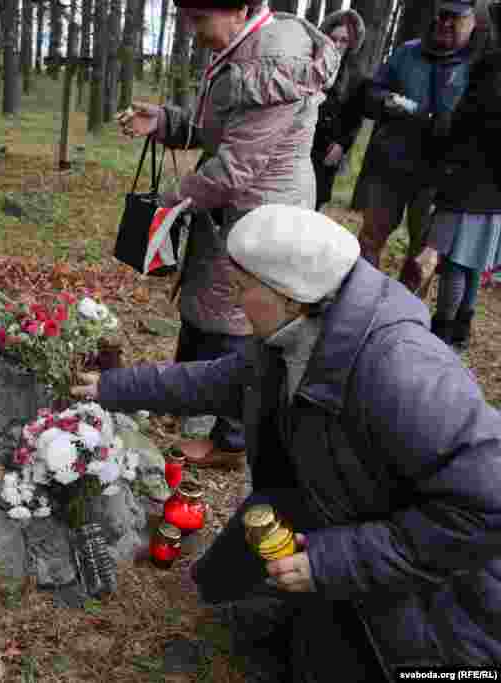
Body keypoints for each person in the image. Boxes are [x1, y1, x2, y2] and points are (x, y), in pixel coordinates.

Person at [73, 204, 501, 681]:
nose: (234, 303)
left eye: (241, 289)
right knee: (231, 602)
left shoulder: (402, 371)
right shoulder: (295, 329)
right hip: (326, 513)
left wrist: (333, 560)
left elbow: (487, 507)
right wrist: (115, 388)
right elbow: (222, 381)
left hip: (429, 590)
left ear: (292, 298)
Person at [115, 0, 339, 468]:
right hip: (233, 210)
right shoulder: (243, 47)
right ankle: (192, 403)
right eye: (186, 17)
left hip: (262, 216)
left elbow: (234, 168)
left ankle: (232, 442)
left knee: (244, 323)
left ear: (240, 9)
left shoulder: (272, 64)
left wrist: (172, 199)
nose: (191, 31)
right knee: (210, 310)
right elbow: (219, 130)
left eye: (199, 19)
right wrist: (166, 122)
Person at [352, 0, 481, 293]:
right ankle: (359, 300)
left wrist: (450, 124)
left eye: (455, 18)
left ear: (471, 22)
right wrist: (387, 101)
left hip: (437, 175)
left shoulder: (475, 65)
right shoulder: (407, 52)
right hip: (392, 164)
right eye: (442, 16)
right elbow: (373, 90)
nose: (445, 23)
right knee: (370, 238)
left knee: (421, 252)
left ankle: (401, 315)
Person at [426, 0, 501, 350]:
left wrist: (448, 129)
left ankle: (442, 336)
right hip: (491, 188)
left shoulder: (490, 68)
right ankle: (459, 335)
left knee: (455, 261)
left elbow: (471, 121)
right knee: (472, 265)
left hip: (468, 179)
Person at [312, 8, 367, 212]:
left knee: (314, 199)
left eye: (344, 40)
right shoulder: (310, 61)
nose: (337, 44)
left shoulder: (356, 75)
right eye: (333, 38)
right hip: (300, 139)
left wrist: (342, 145)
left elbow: (355, 116)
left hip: (327, 147)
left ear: (352, 43)